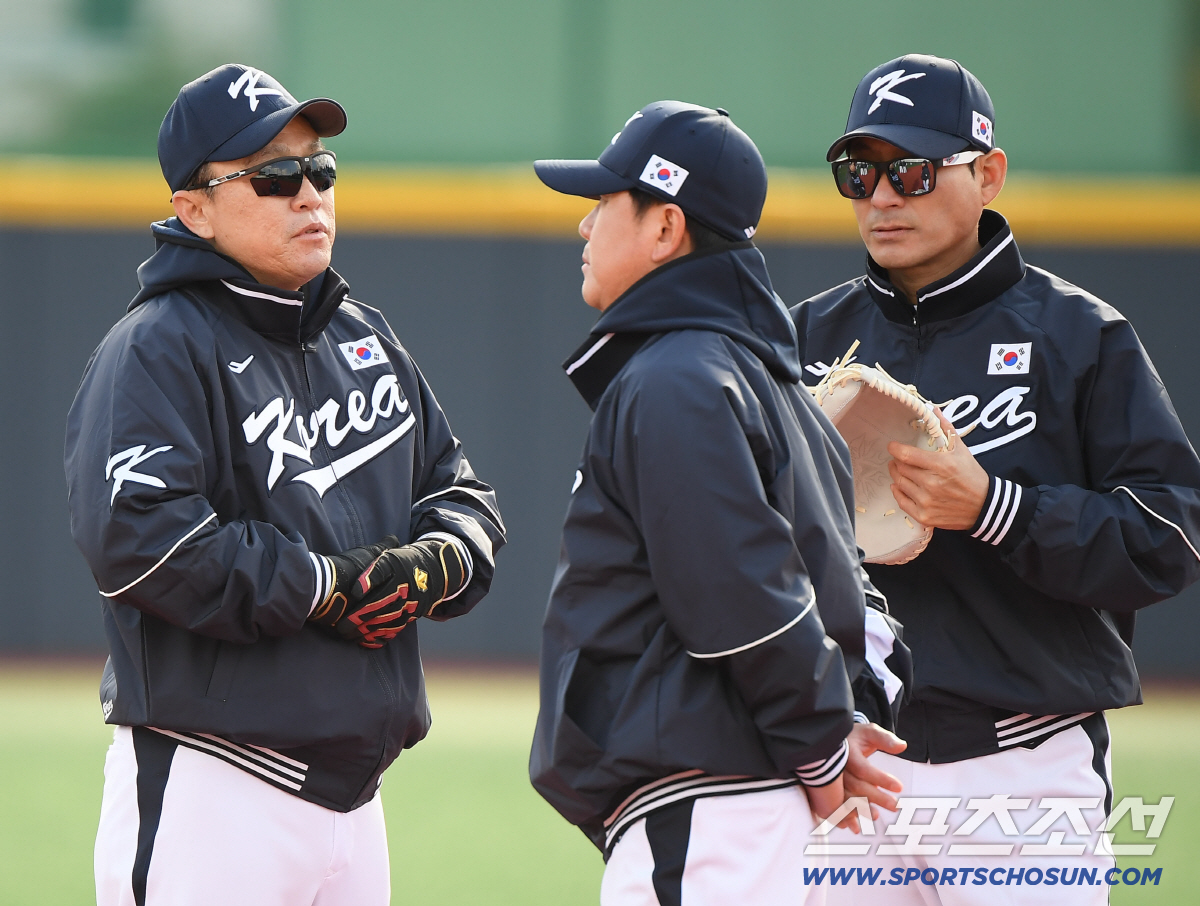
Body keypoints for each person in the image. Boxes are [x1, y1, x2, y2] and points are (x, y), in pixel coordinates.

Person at [64, 64, 504, 906]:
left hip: (356, 798)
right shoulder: (157, 348)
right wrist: (326, 585)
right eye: (273, 175)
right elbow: (140, 542)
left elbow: (466, 499)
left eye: (320, 168)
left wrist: (427, 568)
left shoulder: (362, 335)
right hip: (214, 785)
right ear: (192, 208)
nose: (308, 193)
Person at [792, 54, 1200, 902]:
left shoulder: (1080, 336)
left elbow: (1173, 535)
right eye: (857, 172)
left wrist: (997, 509)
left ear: (987, 174)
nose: (881, 196)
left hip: (1022, 767)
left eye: (910, 170)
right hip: (856, 765)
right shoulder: (806, 337)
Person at [528, 100, 909, 906]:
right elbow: (853, 604)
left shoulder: (676, 379)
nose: (584, 227)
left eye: (603, 203)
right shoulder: (772, 385)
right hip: (755, 807)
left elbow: (740, 596)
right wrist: (834, 727)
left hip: (712, 817)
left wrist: (821, 749)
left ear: (666, 228)